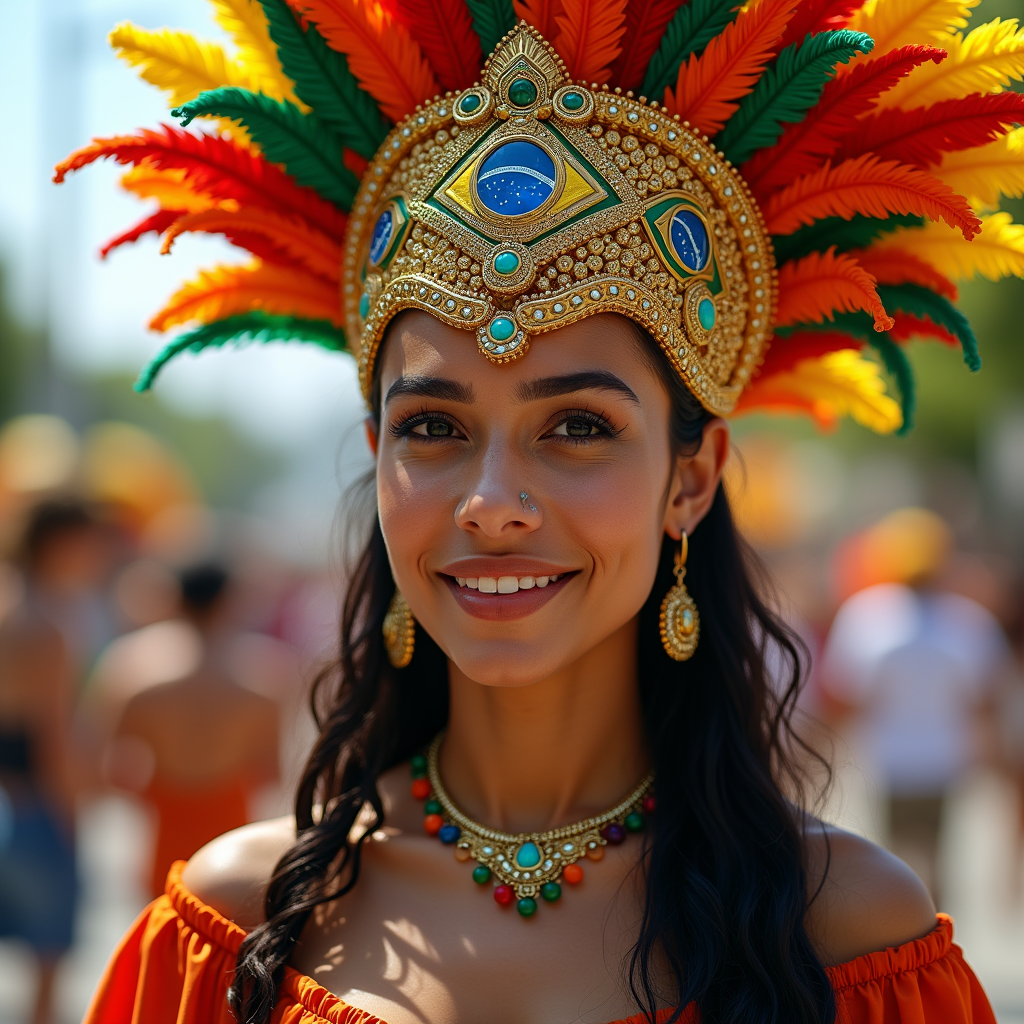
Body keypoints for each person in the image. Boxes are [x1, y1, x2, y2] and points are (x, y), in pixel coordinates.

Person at [60, 2, 1021, 1021]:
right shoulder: (234, 928)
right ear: (379, 455)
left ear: (691, 479)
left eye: (577, 427)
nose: (492, 505)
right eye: (433, 428)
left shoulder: (849, 936)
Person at [822, 509, 1010, 907]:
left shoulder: (867, 615)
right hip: (945, 758)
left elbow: (845, 695)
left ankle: (909, 942)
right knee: (937, 859)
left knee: (894, 861)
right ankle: (941, 943)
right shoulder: (967, 620)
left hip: (889, 759)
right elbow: (985, 699)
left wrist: (824, 748)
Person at [107, 563, 280, 897]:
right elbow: (271, 772)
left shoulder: (136, 673)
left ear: (177, 600)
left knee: (160, 930)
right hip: (232, 836)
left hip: (165, 826)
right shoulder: (263, 678)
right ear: (227, 601)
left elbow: (114, 771)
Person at [0, 500, 109, 1024]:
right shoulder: (48, 623)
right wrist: (72, 815)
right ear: (57, 542)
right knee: (47, 969)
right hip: (36, 805)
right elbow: (55, 739)